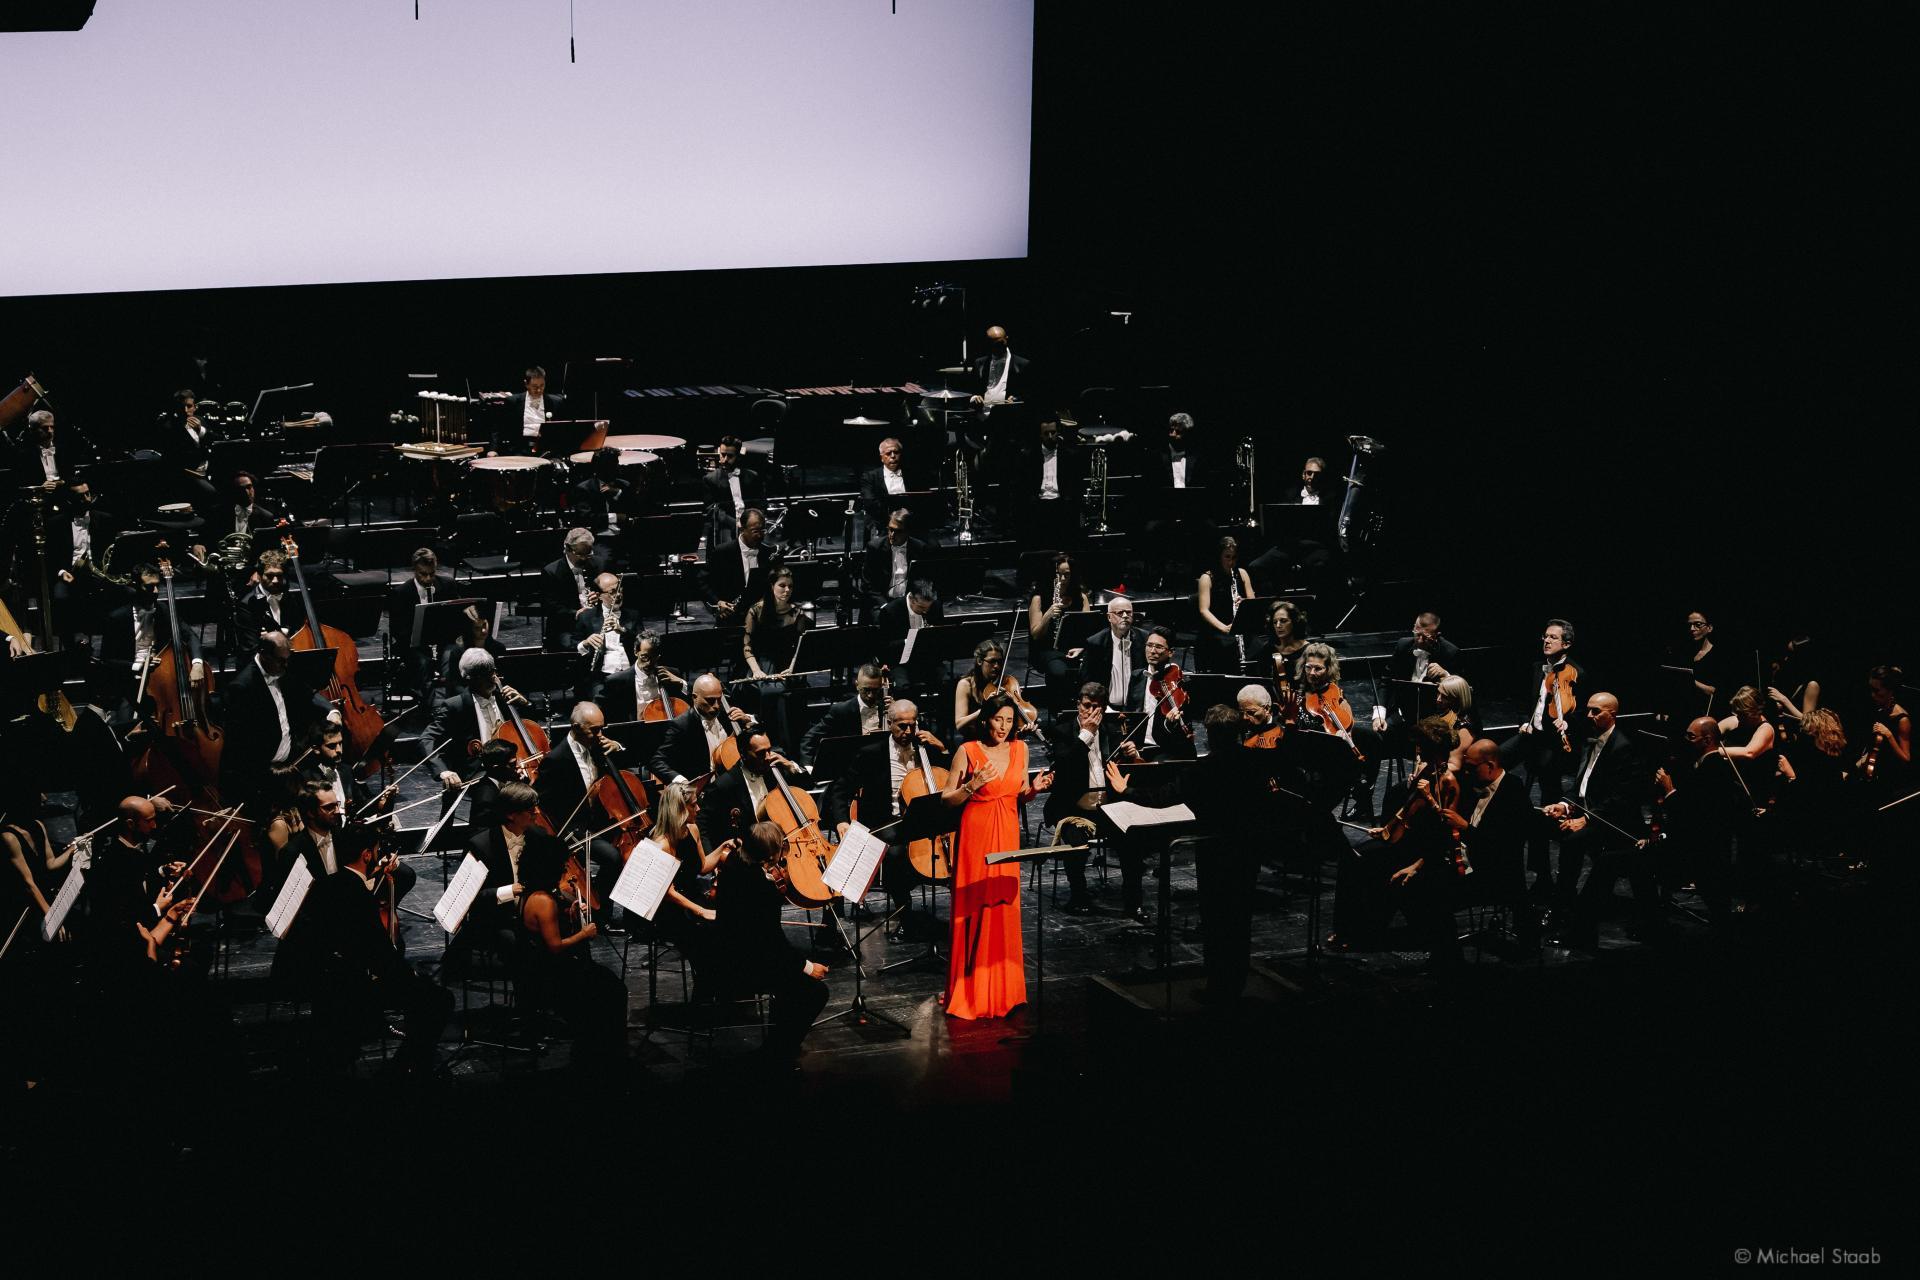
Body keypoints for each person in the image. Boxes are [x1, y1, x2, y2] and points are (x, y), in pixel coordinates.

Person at [942, 694, 1051, 1019]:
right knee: (975, 908)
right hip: (975, 836)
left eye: (1008, 720)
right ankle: (971, 991)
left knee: (1003, 909)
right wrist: (971, 785)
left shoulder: (1021, 749)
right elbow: (947, 799)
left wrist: (1034, 790)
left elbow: (1017, 795)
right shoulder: (968, 750)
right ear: (985, 719)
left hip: (1006, 834)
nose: (1002, 726)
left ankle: (1004, 990)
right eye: (997, 719)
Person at [827, 699, 950, 939]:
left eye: (911, 726)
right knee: (892, 855)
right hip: (887, 823)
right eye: (901, 726)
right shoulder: (871, 754)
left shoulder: (928, 749)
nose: (907, 732)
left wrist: (943, 749)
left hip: (923, 823)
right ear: (889, 723)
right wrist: (841, 820)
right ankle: (905, 917)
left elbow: (951, 779)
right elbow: (840, 789)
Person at [713, 821, 831, 1067]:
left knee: (789, 984)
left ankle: (778, 1042)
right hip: (745, 965)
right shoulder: (762, 889)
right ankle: (777, 1051)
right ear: (771, 854)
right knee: (815, 992)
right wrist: (808, 967)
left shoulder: (734, 862)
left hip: (726, 951)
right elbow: (772, 944)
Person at [514, 826, 628, 1072]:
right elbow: (555, 946)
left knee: (610, 985)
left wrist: (570, 913)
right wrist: (583, 934)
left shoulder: (532, 893)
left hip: (553, 968)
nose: (566, 869)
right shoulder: (543, 901)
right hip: (555, 976)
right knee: (613, 990)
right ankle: (603, 1054)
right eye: (562, 865)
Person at [1541, 692, 1645, 949]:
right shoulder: (1589, 742)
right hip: (1588, 811)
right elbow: (1580, 785)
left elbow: (1621, 799)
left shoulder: (1624, 747)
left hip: (1613, 821)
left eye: (1596, 711)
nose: (1589, 716)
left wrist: (1586, 819)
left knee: (1571, 842)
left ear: (1613, 715)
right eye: (1588, 710)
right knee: (1539, 826)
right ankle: (1547, 893)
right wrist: (1564, 805)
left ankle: (1564, 907)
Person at [1500, 618, 1585, 898]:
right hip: (1531, 736)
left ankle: (1543, 873)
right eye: (1545, 636)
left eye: (1553, 637)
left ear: (1567, 644)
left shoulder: (1577, 672)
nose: (1546, 641)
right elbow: (1528, 703)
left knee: (1548, 792)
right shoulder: (1537, 668)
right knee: (1496, 759)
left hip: (1552, 742)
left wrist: (1568, 724)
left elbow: (1582, 713)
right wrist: (1525, 721)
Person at [532, 701, 632, 911]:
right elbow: (544, 804)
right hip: (573, 828)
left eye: (602, 728)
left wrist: (618, 747)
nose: (600, 734)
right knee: (612, 858)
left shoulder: (597, 745)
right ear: (576, 728)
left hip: (601, 819)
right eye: (594, 730)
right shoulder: (556, 759)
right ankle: (602, 911)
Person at [218, 631, 336, 806]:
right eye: (282, 660)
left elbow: (307, 692)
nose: (286, 665)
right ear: (264, 654)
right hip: (262, 776)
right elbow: (242, 747)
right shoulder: (242, 688)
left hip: (291, 765)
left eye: (288, 659)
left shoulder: (280, 668)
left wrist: (332, 711)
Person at [1044, 683, 1128, 914]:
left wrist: (1132, 754)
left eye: (1096, 707)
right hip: (1074, 807)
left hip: (1107, 808)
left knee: (1132, 840)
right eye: (1086, 706)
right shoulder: (1061, 731)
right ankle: (1078, 897)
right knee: (1076, 843)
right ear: (1078, 705)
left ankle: (1134, 900)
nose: (1091, 712)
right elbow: (1066, 766)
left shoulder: (1112, 730)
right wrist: (1086, 735)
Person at [422, 648, 534, 789]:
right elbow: (427, 739)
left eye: (492, 671)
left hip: (512, 765)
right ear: (469, 678)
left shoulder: (506, 698)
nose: (492, 678)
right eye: (483, 675)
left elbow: (530, 728)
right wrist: (443, 771)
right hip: (480, 772)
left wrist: (526, 704)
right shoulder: (455, 706)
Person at [741, 565, 811, 752]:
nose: (787, 590)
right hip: (761, 663)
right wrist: (756, 670)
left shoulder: (797, 613)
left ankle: (788, 747)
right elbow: (747, 646)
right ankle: (769, 743)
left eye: (790, 586)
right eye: (782, 585)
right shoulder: (755, 610)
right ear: (772, 586)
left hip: (787, 665)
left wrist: (792, 668)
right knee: (770, 692)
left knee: (787, 691)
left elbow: (799, 647)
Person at [651, 672, 755, 785]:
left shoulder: (726, 714)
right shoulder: (682, 725)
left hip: (732, 783)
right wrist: (682, 781)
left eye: (719, 699)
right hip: (703, 789)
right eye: (710, 701)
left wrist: (747, 721)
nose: (716, 706)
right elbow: (657, 761)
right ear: (694, 698)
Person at [386, 547, 453, 703]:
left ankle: (453, 703)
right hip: (413, 645)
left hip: (443, 640)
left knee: (452, 656)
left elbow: (457, 615)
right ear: (414, 570)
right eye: (423, 574)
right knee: (423, 663)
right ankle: (432, 706)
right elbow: (397, 629)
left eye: (432, 574)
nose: (428, 579)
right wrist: (419, 640)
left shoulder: (448, 585)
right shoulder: (401, 593)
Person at [1027, 550, 1091, 712]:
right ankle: (1060, 713)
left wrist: (1082, 648)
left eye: (1067, 575)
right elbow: (1036, 634)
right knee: (1059, 672)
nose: (1062, 579)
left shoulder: (1081, 597)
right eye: (1058, 574)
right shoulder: (1039, 598)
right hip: (1047, 650)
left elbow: (1089, 630)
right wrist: (1048, 615)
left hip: (1074, 649)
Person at [800, 661, 889, 770]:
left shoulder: (887, 707)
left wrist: (896, 713)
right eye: (866, 690)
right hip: (852, 768)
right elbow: (810, 738)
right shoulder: (841, 710)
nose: (870, 695)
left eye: (875, 690)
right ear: (857, 685)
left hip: (881, 765)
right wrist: (808, 767)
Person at [573, 570, 643, 707]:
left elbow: (643, 643)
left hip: (630, 674)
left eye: (619, 589)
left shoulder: (633, 615)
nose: (618, 595)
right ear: (599, 596)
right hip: (600, 677)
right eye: (611, 592)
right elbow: (572, 644)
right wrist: (586, 643)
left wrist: (623, 631)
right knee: (599, 705)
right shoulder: (586, 617)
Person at [954, 637, 1037, 738]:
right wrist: (984, 710)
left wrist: (1020, 733)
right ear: (980, 661)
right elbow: (959, 724)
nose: (997, 666)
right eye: (992, 661)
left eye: (999, 662)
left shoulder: (1007, 683)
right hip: (976, 739)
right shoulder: (965, 684)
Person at [1195, 536, 1256, 674]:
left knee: (1259, 647)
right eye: (1227, 557)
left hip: (1239, 627)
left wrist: (1244, 603)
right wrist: (1224, 628)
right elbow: (1204, 610)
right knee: (1226, 650)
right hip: (1217, 629)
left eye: (1234, 557)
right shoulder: (1207, 578)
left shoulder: (1242, 574)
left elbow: (1253, 603)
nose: (1231, 562)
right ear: (1219, 557)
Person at [540, 528, 608, 649]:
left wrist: (600, 597)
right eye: (580, 554)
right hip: (567, 625)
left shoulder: (599, 564)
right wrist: (575, 613)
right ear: (567, 549)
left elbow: (610, 592)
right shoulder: (551, 572)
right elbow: (550, 606)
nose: (584, 558)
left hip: (596, 621)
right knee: (569, 645)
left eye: (588, 554)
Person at [1078, 595, 1145, 714]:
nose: (1125, 616)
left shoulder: (1145, 639)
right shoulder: (1095, 643)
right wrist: (1102, 707)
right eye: (1120, 613)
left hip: (1139, 708)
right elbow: (1087, 680)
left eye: (1128, 612)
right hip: (1107, 709)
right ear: (1109, 617)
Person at [708, 506, 773, 622]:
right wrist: (718, 602)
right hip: (731, 617)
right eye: (755, 531)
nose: (760, 535)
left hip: (761, 619)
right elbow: (705, 582)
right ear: (742, 529)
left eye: (763, 531)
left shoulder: (769, 553)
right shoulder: (722, 552)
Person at [877, 579, 944, 691]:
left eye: (928, 607)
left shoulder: (935, 606)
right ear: (912, 599)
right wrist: (909, 641)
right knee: (903, 688)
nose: (926, 612)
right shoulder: (890, 611)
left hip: (927, 658)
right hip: (900, 661)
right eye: (921, 608)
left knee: (946, 682)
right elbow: (883, 648)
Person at [701, 434, 766, 547]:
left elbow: (761, 503)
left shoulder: (752, 477)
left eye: (730, 456)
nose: (725, 460)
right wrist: (734, 524)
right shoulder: (710, 479)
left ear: (738, 456)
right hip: (726, 525)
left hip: (750, 525)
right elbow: (711, 509)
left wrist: (751, 522)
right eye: (723, 454)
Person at [861, 507, 928, 615]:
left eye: (898, 531)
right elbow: (867, 585)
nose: (892, 535)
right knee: (887, 618)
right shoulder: (875, 548)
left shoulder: (920, 548)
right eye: (890, 529)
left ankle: (915, 633)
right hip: (884, 602)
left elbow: (924, 581)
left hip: (909, 602)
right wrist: (885, 605)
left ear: (908, 532)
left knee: (931, 611)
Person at [235, 548, 310, 639]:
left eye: (279, 575)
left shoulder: (295, 596)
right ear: (259, 575)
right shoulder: (247, 604)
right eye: (269, 576)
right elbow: (250, 646)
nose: (275, 581)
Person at [498, 365, 565, 455]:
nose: (539, 390)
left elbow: (562, 430)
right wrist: (493, 449)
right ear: (526, 384)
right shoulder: (513, 401)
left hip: (546, 448)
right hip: (520, 448)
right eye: (534, 386)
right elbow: (499, 427)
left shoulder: (556, 402)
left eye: (542, 385)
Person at [1247, 598, 1309, 692]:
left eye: (1283, 621)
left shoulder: (1308, 650)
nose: (1278, 625)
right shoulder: (1267, 649)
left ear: (1295, 622)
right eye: (1275, 622)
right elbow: (1263, 682)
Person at [859, 437, 921, 530]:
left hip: (910, 524)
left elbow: (920, 501)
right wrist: (893, 517)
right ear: (881, 458)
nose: (893, 456)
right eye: (888, 453)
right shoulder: (870, 477)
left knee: (933, 544)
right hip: (882, 525)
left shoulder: (913, 475)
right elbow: (870, 503)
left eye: (896, 452)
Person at [970, 324, 1029, 412]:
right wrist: (974, 398)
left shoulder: (1022, 364)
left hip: (1007, 415)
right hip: (982, 414)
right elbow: (970, 389)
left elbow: (1029, 393)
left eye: (1000, 343)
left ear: (1007, 339)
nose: (998, 347)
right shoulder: (979, 363)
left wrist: (1016, 399)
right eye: (994, 344)